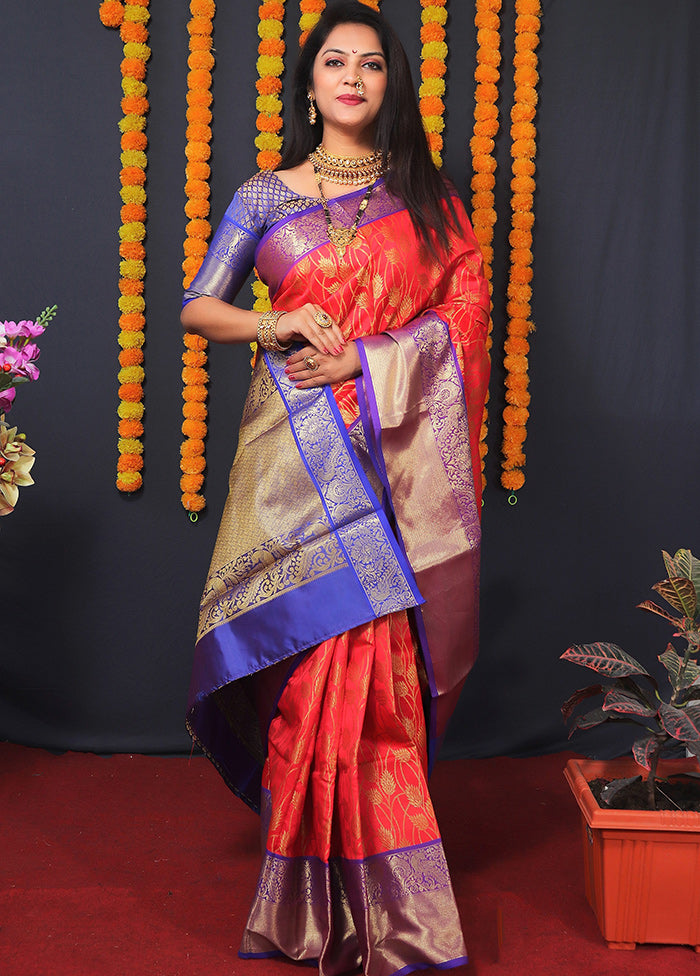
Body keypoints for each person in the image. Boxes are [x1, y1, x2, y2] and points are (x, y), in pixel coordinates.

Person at [181, 2, 490, 974]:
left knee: (372, 673)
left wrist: (368, 359)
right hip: (292, 456)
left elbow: (462, 321)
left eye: (370, 64)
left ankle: (390, 904)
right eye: (334, 63)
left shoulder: (430, 200)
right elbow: (198, 307)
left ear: (390, 85)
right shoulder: (266, 195)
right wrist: (273, 328)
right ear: (308, 84)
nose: (352, 77)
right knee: (307, 663)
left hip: (389, 457)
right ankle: (303, 892)